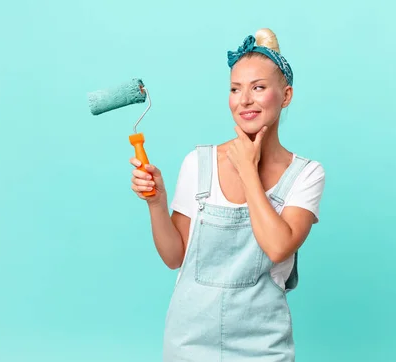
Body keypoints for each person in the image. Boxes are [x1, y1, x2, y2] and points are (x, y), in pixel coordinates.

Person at [129, 28, 326, 362]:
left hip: (263, 343)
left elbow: (278, 246)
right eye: (235, 89)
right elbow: (175, 257)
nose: (244, 100)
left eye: (258, 88)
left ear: (286, 95)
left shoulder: (306, 174)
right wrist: (156, 204)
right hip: (189, 341)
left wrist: (248, 169)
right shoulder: (199, 163)